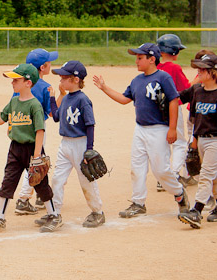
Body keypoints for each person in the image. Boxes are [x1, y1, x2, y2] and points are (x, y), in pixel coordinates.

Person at [93, 43, 190, 219]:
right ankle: (138, 203)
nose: (136, 61)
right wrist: (104, 87)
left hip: (159, 129)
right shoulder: (136, 81)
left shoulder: (163, 77)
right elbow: (124, 99)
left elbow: (174, 101)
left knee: (161, 170)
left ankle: (179, 193)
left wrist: (173, 128)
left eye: (140, 58)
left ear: (152, 59)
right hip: (140, 130)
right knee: (137, 168)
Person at [0, 63, 61, 233]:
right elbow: (0, 120)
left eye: (16, 80)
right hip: (15, 148)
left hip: (33, 148)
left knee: (40, 183)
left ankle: (53, 215)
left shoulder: (34, 105)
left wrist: (37, 156)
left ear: (28, 82)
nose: (12, 83)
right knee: (8, 181)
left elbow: (40, 130)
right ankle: (0, 217)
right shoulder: (13, 102)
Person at [46, 60, 105, 228]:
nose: (61, 81)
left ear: (76, 80)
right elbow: (56, 117)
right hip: (65, 144)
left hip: (80, 143)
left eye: (64, 78)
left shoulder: (83, 100)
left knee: (86, 180)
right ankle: (54, 213)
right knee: (57, 179)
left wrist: (89, 150)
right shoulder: (66, 98)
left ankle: (97, 212)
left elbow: (90, 124)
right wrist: (52, 97)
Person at [176, 53, 217, 228]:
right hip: (201, 140)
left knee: (206, 175)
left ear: (213, 72)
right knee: (213, 179)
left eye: (203, 69)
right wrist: (193, 142)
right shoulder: (197, 91)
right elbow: (194, 118)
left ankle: (197, 211)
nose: (198, 72)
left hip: (215, 140)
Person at [14, 48, 57, 214]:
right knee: (35, 164)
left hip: (21, 129)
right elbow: (54, 113)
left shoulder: (21, 84)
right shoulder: (46, 87)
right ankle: (23, 199)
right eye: (49, 63)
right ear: (43, 67)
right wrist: (57, 96)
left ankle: (38, 194)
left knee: (29, 164)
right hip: (37, 131)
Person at [156, 34, 192, 190]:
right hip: (172, 108)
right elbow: (186, 89)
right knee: (179, 143)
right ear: (175, 50)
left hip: (155, 110)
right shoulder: (174, 68)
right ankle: (174, 174)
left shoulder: (154, 67)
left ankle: (161, 178)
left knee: (161, 143)